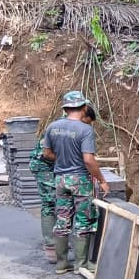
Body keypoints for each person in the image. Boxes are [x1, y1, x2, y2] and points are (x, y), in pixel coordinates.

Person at [40, 91, 109, 274]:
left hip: (60, 180)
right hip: (80, 180)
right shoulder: (85, 130)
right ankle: (82, 264)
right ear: (84, 107)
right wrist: (102, 180)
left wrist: (62, 159)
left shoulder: (52, 127)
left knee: (62, 220)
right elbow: (88, 160)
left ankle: (62, 264)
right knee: (83, 220)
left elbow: (46, 154)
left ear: (65, 108)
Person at [31, 104, 97, 264]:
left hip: (56, 168)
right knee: (50, 204)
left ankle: (61, 259)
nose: (88, 125)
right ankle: (52, 249)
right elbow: (50, 154)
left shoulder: (60, 126)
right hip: (45, 166)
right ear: (83, 113)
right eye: (88, 121)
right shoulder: (69, 128)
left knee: (60, 210)